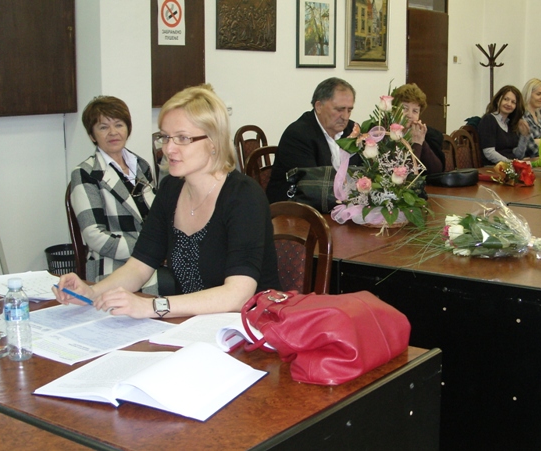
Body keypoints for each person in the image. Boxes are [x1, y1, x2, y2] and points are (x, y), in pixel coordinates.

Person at [55, 85, 281, 318]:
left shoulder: (244, 196)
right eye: (165, 137)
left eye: (182, 138)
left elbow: (238, 295)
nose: (168, 149)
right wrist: (92, 292)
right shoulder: (171, 189)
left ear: (213, 141)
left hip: (250, 325)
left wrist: (151, 307)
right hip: (192, 323)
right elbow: (140, 265)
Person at [69, 96, 158, 293]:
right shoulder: (85, 173)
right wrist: (149, 249)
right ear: (92, 135)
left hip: (151, 262)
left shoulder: (141, 165)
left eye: (119, 125)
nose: (113, 132)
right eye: (103, 127)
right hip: (112, 265)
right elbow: (94, 236)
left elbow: (157, 217)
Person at [267, 77, 360, 203]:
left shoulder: (352, 130)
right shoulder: (298, 135)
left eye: (349, 110)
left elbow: (363, 172)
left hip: (338, 204)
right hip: (294, 207)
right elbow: (313, 188)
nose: (345, 117)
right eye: (339, 109)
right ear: (319, 106)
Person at [390, 83, 444, 173]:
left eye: (415, 111)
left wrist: (421, 141)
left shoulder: (429, 135)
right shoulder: (384, 134)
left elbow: (436, 170)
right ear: (394, 109)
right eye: (405, 108)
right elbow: (406, 175)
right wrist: (416, 145)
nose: (409, 115)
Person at [476, 85, 531, 164]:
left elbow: (518, 156)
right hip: (493, 167)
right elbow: (489, 152)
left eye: (513, 102)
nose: (509, 104)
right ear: (498, 100)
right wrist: (511, 163)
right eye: (506, 99)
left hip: (509, 166)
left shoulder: (510, 124)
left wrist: (524, 136)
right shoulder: (489, 119)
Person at [520, 78, 541, 156]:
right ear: (528, 94)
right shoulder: (522, 116)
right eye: (538, 94)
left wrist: (540, 141)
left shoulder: (539, 117)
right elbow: (531, 148)